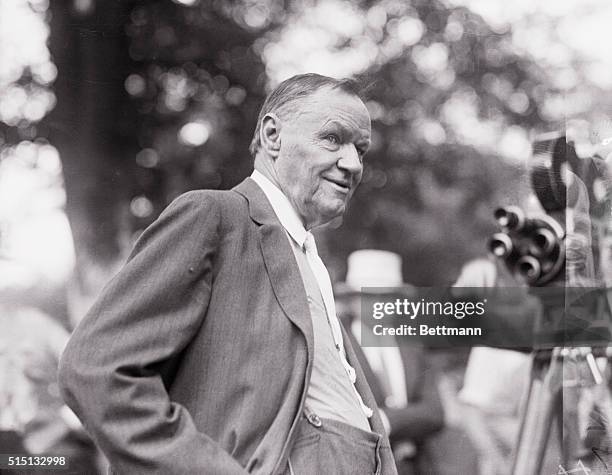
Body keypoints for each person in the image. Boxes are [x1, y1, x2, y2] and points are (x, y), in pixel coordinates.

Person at [58, 73, 397, 475]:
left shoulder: (310, 260)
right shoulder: (216, 216)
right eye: (333, 139)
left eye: (361, 149)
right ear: (273, 136)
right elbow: (96, 368)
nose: (353, 164)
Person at [335, 250, 447, 475]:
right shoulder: (339, 346)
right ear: (352, 299)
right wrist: (404, 423)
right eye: (368, 296)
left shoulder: (412, 346)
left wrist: (385, 420)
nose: (378, 304)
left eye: (386, 296)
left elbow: (435, 412)